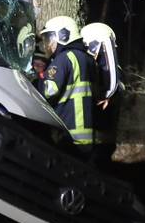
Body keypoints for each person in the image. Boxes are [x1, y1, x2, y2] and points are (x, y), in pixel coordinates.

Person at [38, 17, 121, 152]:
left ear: (63, 35)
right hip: (88, 138)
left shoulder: (64, 58)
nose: (48, 44)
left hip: (67, 136)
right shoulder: (88, 60)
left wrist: (38, 81)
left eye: (50, 38)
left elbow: (48, 92)